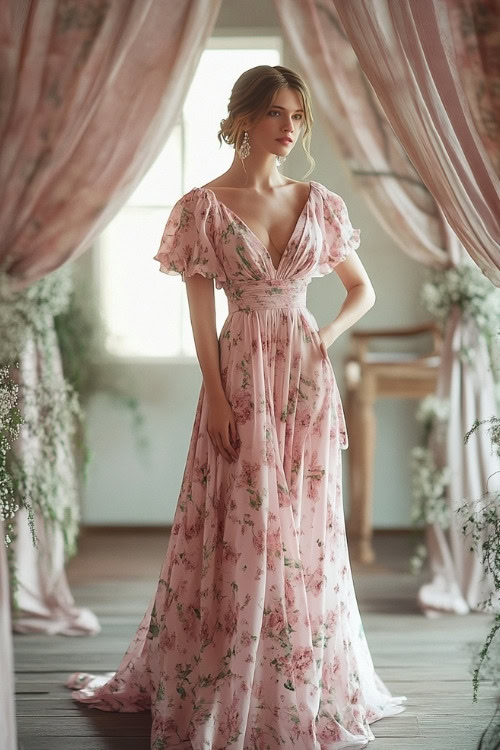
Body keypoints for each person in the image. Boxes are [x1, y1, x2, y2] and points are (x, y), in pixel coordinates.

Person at [66, 65, 407, 749]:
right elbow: (199, 312)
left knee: (305, 524)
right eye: (278, 113)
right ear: (244, 117)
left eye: (298, 117)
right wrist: (217, 394)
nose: (290, 129)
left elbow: (360, 290)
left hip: (304, 379)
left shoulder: (321, 203)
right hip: (240, 375)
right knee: (243, 520)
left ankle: (298, 671)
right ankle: (230, 669)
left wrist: (323, 339)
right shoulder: (202, 207)